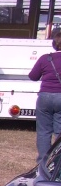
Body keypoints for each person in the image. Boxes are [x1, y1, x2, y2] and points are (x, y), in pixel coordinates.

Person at [29, 28, 61, 160]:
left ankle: (43, 160)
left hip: (45, 96)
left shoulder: (45, 59)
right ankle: (58, 159)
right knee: (59, 130)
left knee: (44, 131)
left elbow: (33, 76)